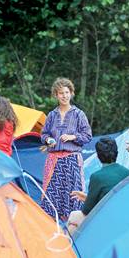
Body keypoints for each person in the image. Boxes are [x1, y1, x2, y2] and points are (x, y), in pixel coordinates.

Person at [40, 77, 92, 220]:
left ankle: (74, 227)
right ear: (56, 95)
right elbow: (44, 134)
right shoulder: (52, 115)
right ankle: (50, 228)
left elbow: (87, 135)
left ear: (72, 93)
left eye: (67, 92)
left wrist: (72, 137)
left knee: (73, 194)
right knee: (51, 195)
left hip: (72, 160)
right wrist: (48, 139)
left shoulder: (78, 114)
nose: (64, 96)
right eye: (61, 93)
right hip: (54, 161)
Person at [68, 137, 129, 232]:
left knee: (74, 217)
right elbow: (110, 197)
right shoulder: (127, 172)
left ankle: (68, 246)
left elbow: (87, 210)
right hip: (123, 217)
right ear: (116, 153)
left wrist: (86, 199)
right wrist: (86, 197)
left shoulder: (97, 177)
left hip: (105, 220)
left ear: (98, 156)